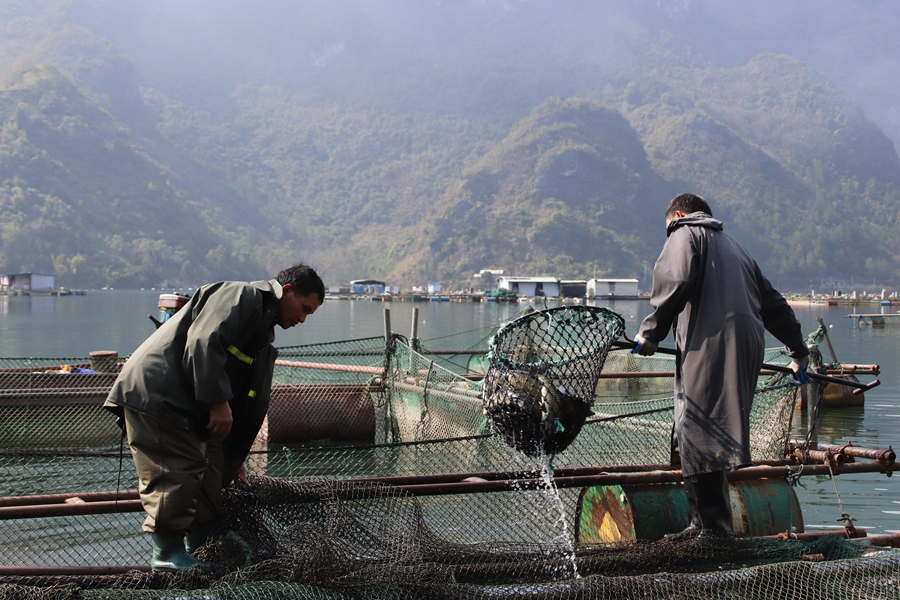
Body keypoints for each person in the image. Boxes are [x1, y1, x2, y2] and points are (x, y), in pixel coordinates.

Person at [104, 264, 325, 571]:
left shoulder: (262, 328)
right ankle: (167, 555)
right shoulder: (242, 295)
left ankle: (202, 549)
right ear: (285, 291)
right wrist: (217, 400)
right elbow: (204, 341)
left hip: (191, 405)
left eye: (309, 314)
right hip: (159, 396)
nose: (302, 318)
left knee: (212, 471)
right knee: (179, 468)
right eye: (303, 308)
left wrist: (233, 456)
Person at [633, 193, 810, 539]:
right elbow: (773, 303)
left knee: (696, 423)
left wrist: (651, 332)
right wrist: (797, 351)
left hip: (713, 340)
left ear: (679, 215)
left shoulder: (684, 233)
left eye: (667, 228)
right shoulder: (736, 247)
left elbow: (676, 280)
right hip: (748, 343)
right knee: (711, 426)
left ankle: (712, 531)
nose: (669, 235)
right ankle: (706, 525)